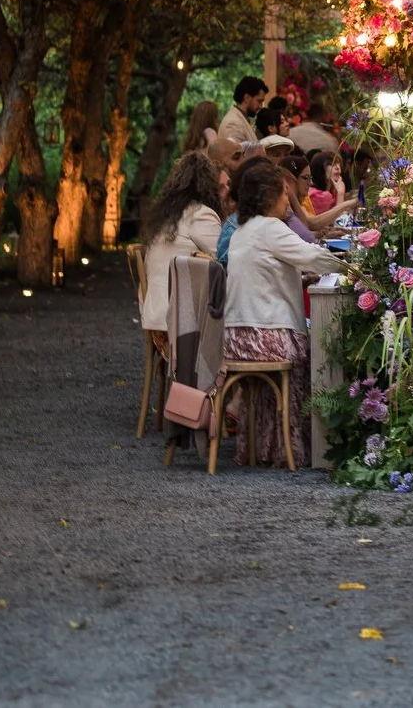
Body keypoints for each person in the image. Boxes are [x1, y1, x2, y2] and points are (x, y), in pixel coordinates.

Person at [222, 159, 342, 466]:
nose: (288, 201)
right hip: (265, 336)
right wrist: (352, 263)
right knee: (315, 349)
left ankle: (265, 447)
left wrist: (300, 277)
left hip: (236, 336)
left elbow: (266, 274)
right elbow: (314, 256)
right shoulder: (271, 229)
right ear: (271, 196)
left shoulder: (244, 230)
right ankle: (310, 443)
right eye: (284, 194)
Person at [136, 152, 224, 350]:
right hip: (184, 326)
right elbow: (225, 260)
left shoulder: (164, 218)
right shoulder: (201, 214)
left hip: (156, 319)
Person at [217, 76, 268, 153]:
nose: (261, 106)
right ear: (246, 97)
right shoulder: (233, 123)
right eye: (259, 101)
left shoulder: (240, 118)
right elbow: (236, 158)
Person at [304, 150, 345, 215]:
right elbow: (339, 222)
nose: (338, 167)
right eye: (331, 164)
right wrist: (340, 194)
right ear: (320, 169)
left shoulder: (331, 191)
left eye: (338, 164)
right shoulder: (319, 196)